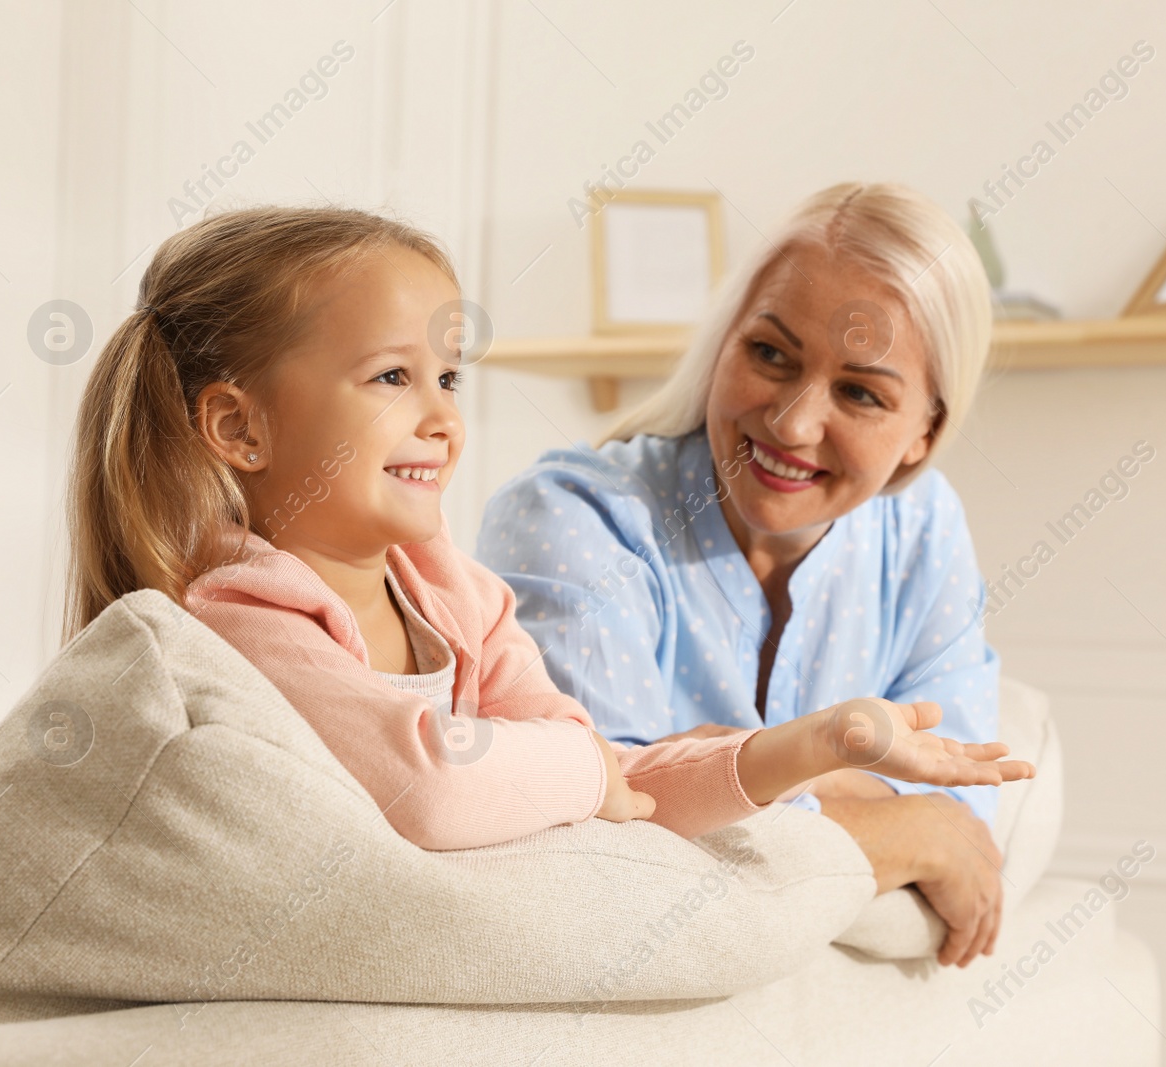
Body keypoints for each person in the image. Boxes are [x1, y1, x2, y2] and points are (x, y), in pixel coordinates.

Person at [62, 204, 1033, 854]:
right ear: (240, 426)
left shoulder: (448, 589)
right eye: (392, 377)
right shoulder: (244, 612)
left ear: (924, 436)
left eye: (448, 377)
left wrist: (819, 742)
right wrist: (586, 771)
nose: (443, 417)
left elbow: (629, 780)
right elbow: (443, 783)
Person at [478, 183, 1015, 966]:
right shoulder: (572, 519)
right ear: (725, 341)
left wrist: (715, 774)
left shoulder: (922, 527)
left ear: (922, 433)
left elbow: (965, 798)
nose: (793, 423)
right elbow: (599, 832)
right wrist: (904, 822)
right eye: (770, 354)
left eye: (861, 392)